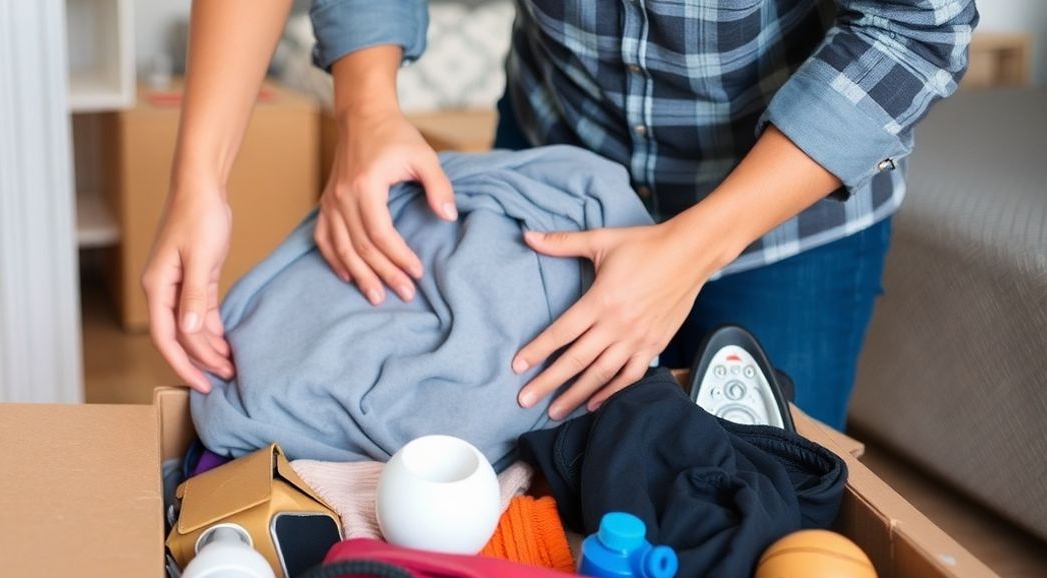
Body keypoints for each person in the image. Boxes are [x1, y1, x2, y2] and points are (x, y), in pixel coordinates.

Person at [142, 0, 977, 429]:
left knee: (761, 521)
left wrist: (691, 250)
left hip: (791, 219)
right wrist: (356, 109)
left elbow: (916, 30)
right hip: (551, 168)